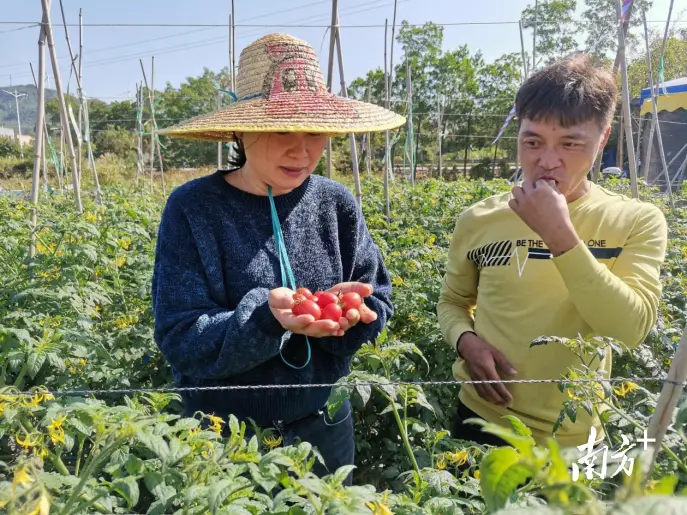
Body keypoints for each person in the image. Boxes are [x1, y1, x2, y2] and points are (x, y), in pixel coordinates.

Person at [151, 33, 405, 484]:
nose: (302, 149)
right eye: (281, 128)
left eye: (314, 131)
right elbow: (179, 335)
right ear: (241, 130)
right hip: (223, 437)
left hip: (324, 427)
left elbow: (378, 296)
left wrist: (354, 315)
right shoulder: (193, 208)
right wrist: (265, 320)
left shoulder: (335, 203)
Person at [437, 53, 668, 448]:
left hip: (573, 438)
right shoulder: (479, 219)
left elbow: (630, 329)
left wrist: (559, 234)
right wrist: (466, 341)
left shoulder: (636, 220)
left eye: (570, 143)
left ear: (604, 138)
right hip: (482, 420)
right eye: (532, 142)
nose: (547, 161)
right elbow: (453, 301)